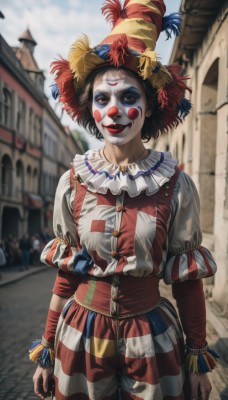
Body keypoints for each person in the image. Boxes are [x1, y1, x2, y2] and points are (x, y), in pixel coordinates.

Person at [29, 1, 219, 399]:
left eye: (128, 97)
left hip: (152, 341)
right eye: (101, 100)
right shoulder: (73, 182)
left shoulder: (175, 185)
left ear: (148, 106)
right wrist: (47, 346)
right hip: (82, 338)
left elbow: (186, 284)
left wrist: (197, 354)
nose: (114, 111)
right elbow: (67, 276)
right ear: (90, 108)